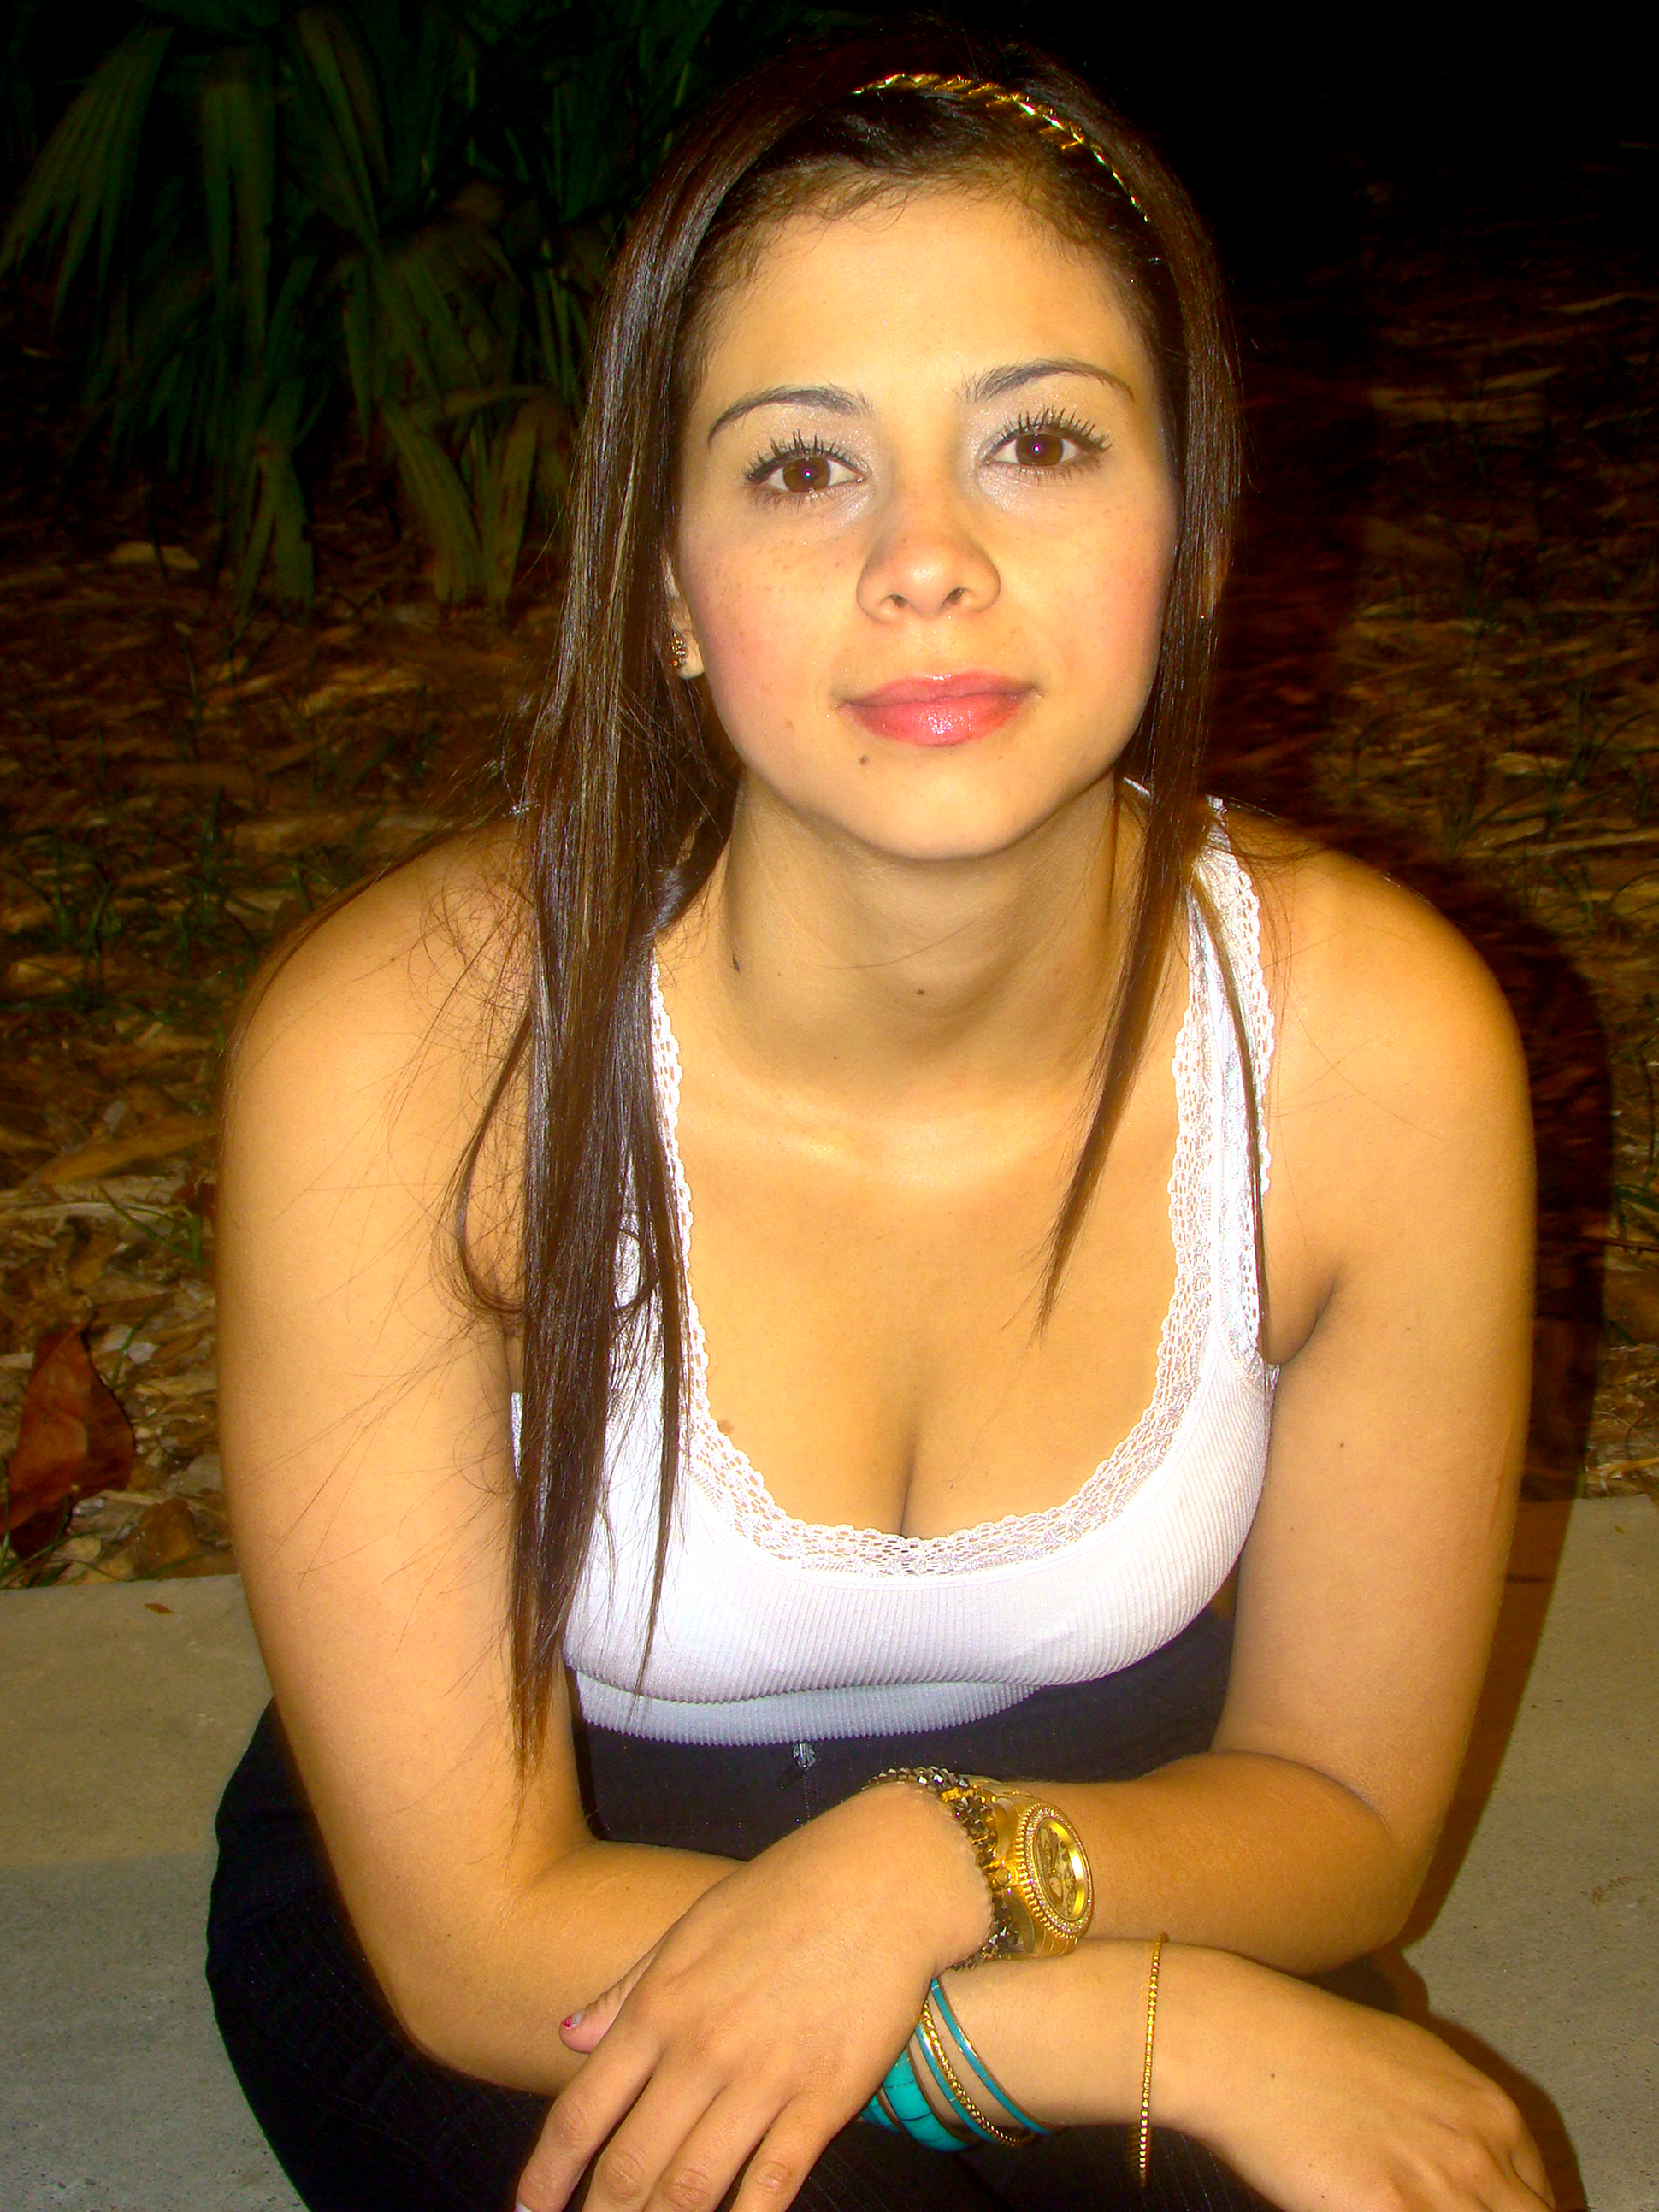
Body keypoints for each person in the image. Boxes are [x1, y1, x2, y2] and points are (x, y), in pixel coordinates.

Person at [205, 25, 1549, 2212]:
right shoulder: (410, 1059)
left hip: (1097, 1843)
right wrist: (1161, 2029)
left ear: (1195, 529)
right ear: (663, 585)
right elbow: (469, 1938)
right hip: (551, 1914)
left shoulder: (1368, 1046)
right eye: (802, 466)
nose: (926, 556)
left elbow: (1340, 1807)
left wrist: (941, 1862)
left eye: (1038, 440)